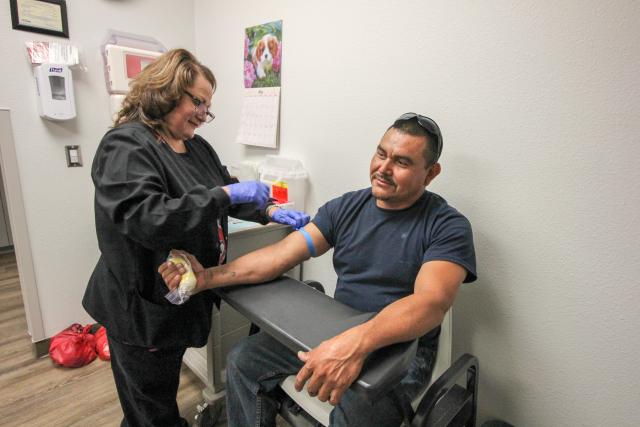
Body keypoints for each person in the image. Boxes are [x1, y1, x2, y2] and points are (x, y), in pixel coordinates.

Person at [159, 112, 477, 427]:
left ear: (431, 173)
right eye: (381, 154)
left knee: (353, 417)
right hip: (337, 330)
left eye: (402, 162)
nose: (384, 168)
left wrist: (355, 344)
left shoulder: (447, 226)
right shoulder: (347, 208)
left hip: (401, 352)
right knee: (243, 362)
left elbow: (430, 303)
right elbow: (280, 255)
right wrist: (206, 278)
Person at [82, 48, 309, 427]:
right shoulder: (126, 145)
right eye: (198, 101)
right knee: (149, 405)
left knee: (157, 391)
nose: (204, 114)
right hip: (141, 309)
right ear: (166, 91)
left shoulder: (196, 146)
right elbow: (149, 218)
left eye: (208, 106)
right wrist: (225, 196)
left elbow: (226, 189)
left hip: (179, 299)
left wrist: (268, 210)